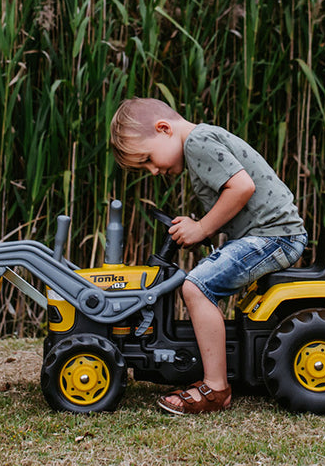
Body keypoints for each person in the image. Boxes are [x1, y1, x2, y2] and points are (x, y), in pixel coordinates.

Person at [110, 97, 307, 414]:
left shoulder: (198, 142)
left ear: (164, 129)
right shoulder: (198, 143)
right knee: (199, 281)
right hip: (268, 234)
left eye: (148, 159)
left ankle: (216, 389)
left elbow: (242, 188)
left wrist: (202, 228)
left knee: (197, 286)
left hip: (275, 236)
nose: (153, 170)